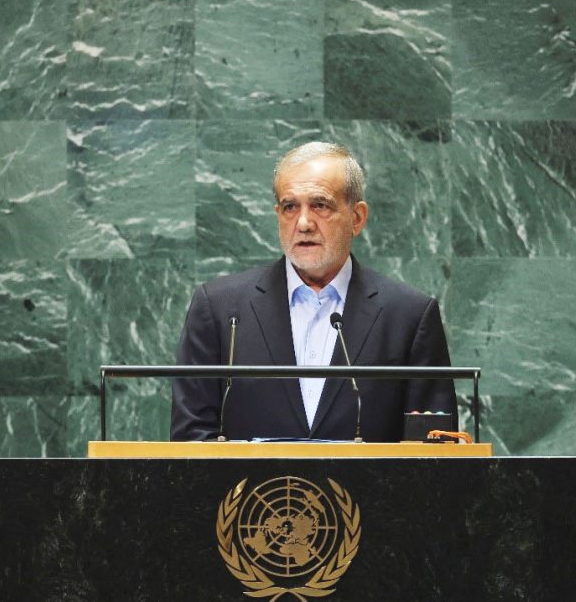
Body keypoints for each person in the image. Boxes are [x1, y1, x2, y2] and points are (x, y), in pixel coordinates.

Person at [170, 141, 456, 441]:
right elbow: (190, 441)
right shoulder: (219, 308)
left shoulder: (408, 315)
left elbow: (432, 454)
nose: (303, 223)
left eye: (320, 205)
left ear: (356, 218)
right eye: (290, 207)